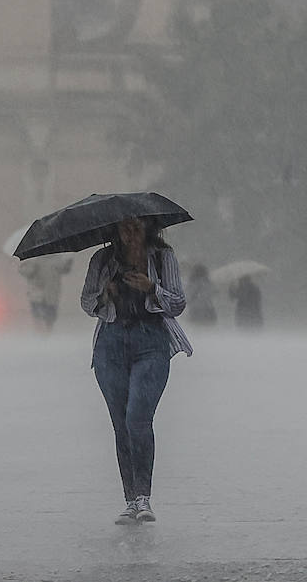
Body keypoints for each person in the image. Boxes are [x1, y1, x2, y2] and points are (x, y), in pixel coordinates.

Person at [80, 216, 191, 525]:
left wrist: (151, 287)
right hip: (111, 344)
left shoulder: (161, 256)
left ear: (148, 229)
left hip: (151, 342)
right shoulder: (102, 259)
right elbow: (87, 302)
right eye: (123, 228)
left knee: (137, 418)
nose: (129, 234)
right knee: (120, 424)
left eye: (136, 227)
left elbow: (178, 302)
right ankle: (130, 500)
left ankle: (144, 497)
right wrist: (106, 293)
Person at [17, 253, 73, 333]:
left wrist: (69, 262)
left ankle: (47, 334)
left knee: (50, 317)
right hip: (36, 294)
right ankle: (39, 334)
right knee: (38, 317)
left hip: (52, 294)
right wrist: (32, 268)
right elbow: (23, 270)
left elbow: (65, 269)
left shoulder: (57, 258)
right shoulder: (32, 258)